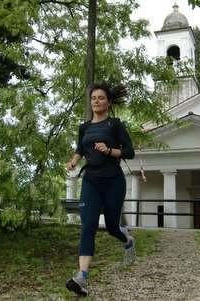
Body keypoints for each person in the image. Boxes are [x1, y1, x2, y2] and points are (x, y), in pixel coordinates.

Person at [65, 83, 136, 297]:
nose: (96, 101)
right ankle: (82, 277)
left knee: (113, 227)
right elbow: (80, 149)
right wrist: (74, 161)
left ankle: (128, 240)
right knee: (88, 225)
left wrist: (110, 150)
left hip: (113, 180)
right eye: (93, 98)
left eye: (101, 98)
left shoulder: (115, 124)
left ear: (108, 102)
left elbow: (130, 152)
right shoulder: (84, 127)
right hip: (91, 180)